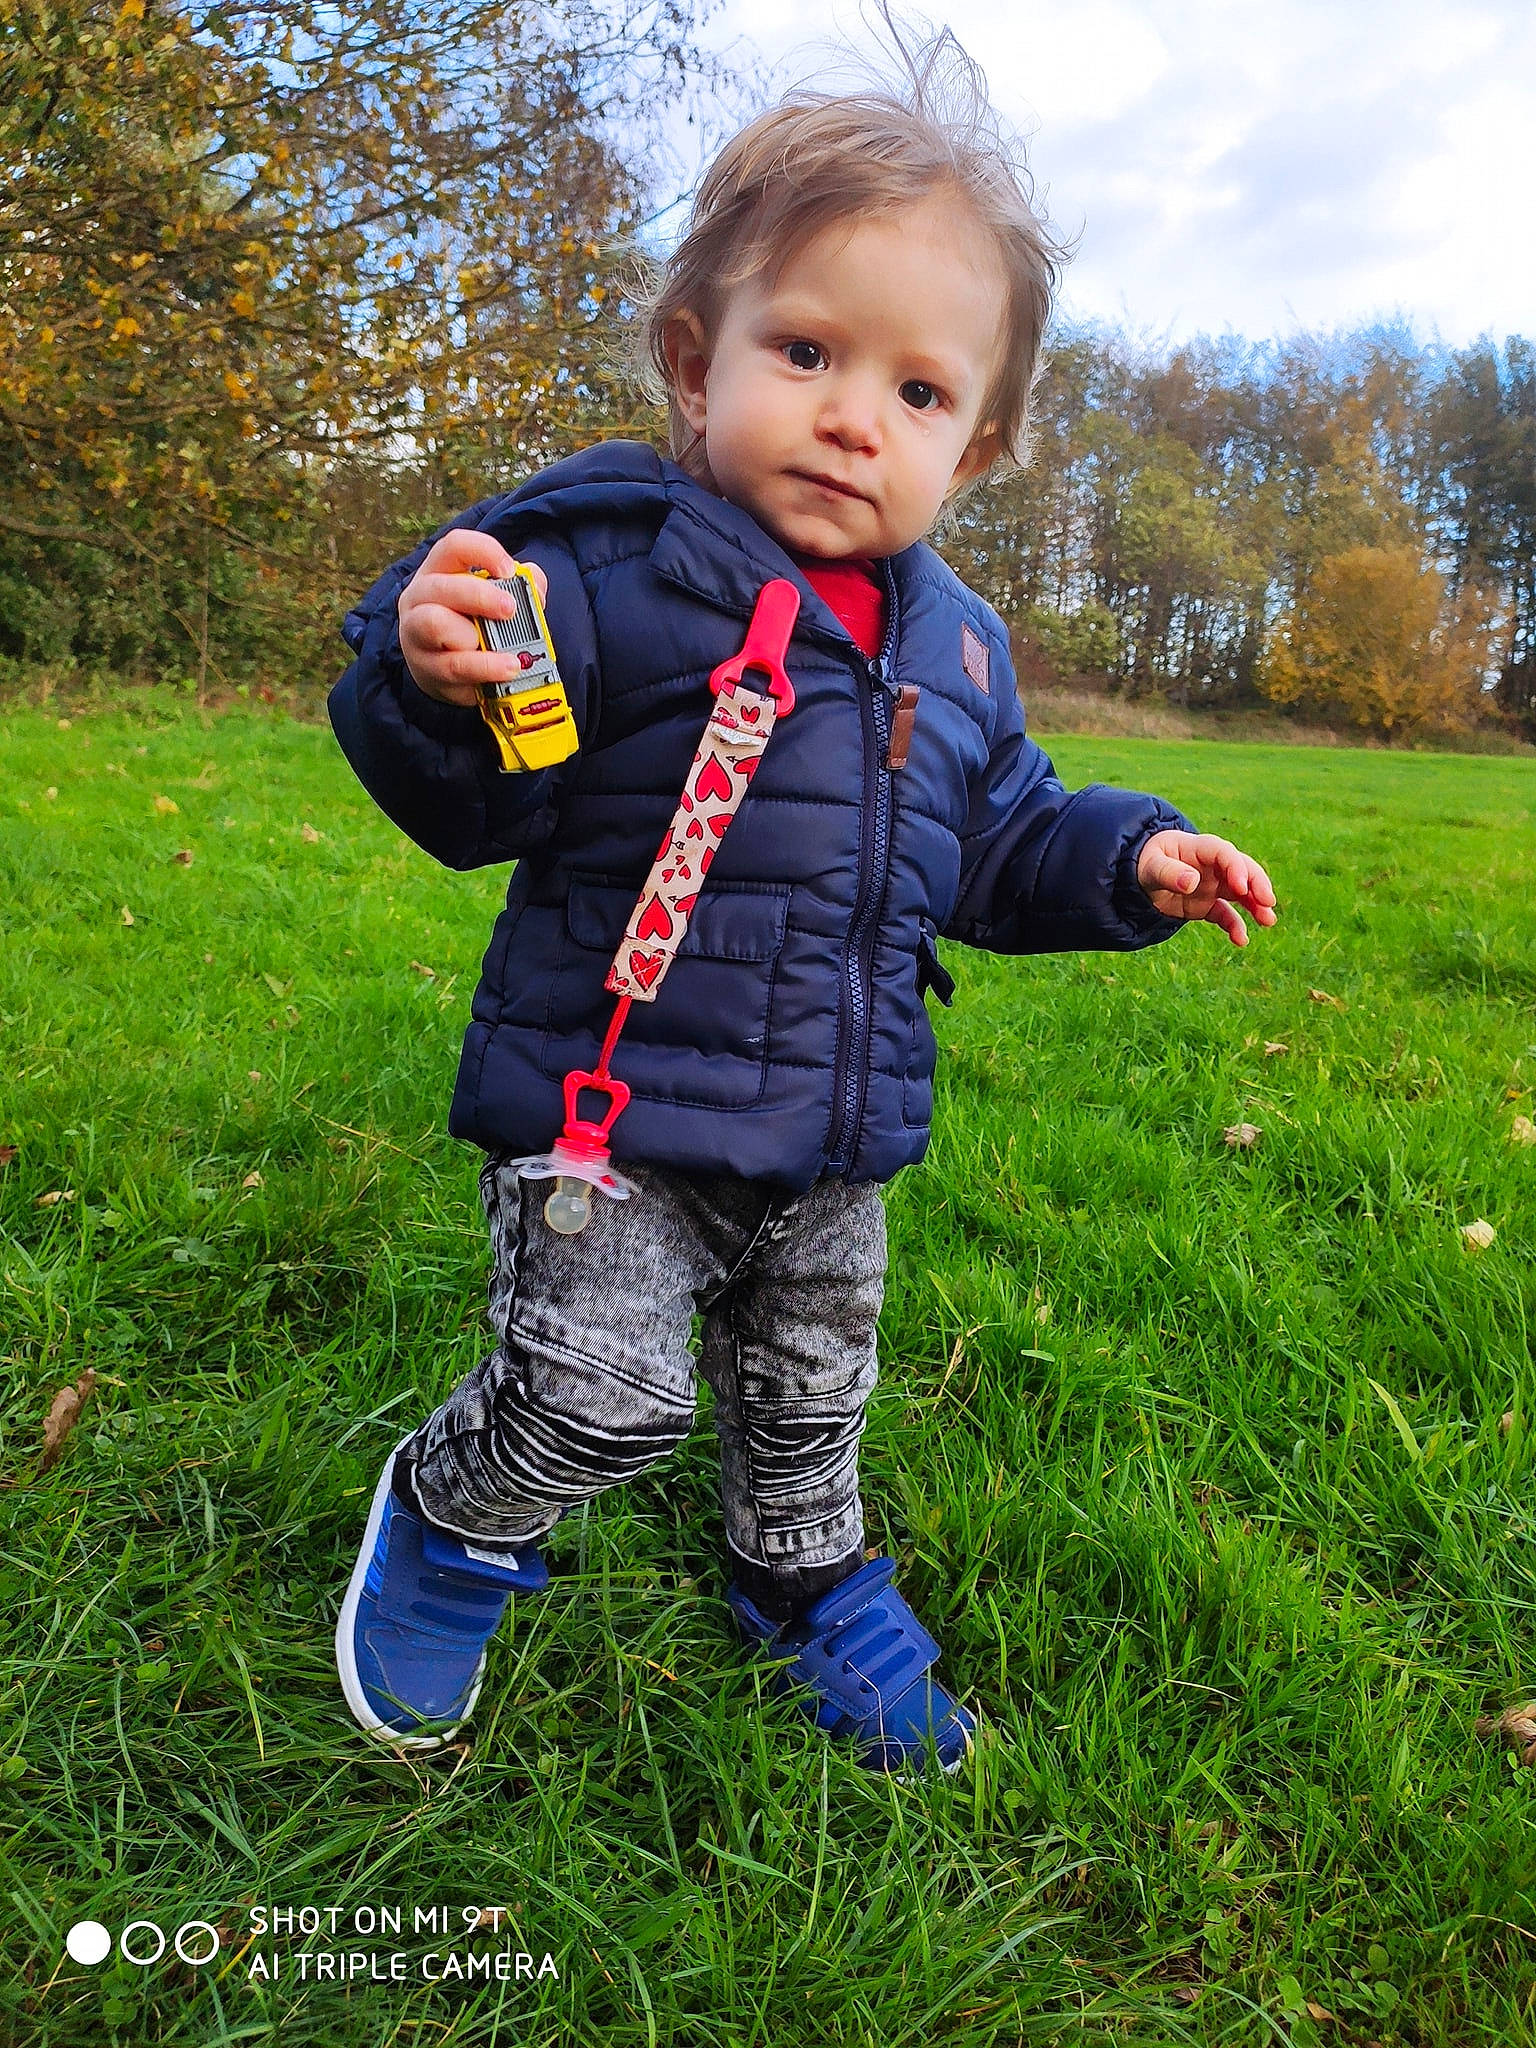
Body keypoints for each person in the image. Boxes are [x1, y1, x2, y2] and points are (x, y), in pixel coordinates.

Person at [327, 38, 1277, 1773]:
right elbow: (479, 800)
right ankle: (458, 1512)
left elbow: (999, 840)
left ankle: (800, 1574)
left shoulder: (957, 647)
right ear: (699, 365)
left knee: (810, 1395)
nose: (856, 416)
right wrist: (431, 675)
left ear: (975, 449)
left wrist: (1129, 860)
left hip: (839, 1130)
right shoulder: (608, 568)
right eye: (809, 351)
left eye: (920, 394)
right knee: (600, 1396)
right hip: (613, 1117)